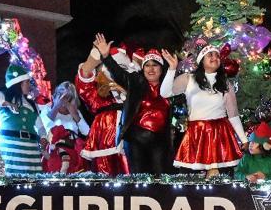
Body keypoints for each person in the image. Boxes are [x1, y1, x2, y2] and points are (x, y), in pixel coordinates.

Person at [160, 45, 247, 176]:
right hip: (196, 134)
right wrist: (172, 68)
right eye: (210, 55)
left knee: (223, 178)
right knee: (190, 177)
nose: (215, 58)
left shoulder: (225, 84)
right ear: (201, 60)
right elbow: (165, 93)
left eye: (217, 55)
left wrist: (244, 140)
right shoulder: (188, 79)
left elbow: (233, 114)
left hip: (220, 136)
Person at [98, 37, 173, 175]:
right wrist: (106, 56)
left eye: (155, 65)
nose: (151, 69)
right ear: (143, 68)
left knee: (161, 178)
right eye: (147, 65)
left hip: (160, 140)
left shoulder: (170, 86)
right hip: (135, 139)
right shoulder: (135, 82)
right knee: (138, 179)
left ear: (161, 69)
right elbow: (118, 73)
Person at [75, 34, 132, 175]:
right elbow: (84, 79)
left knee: (131, 175)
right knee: (104, 176)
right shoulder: (98, 89)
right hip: (104, 132)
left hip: (130, 133)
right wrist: (95, 54)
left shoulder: (134, 85)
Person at [0, 64, 46, 175]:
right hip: (9, 147)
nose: (29, 86)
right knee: (7, 180)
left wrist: (44, 137)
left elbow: (40, 126)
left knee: (31, 184)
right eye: (26, 82)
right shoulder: (2, 96)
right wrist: (6, 103)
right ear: (18, 83)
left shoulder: (31, 104)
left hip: (30, 149)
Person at [40, 81, 89, 174]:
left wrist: (74, 113)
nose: (64, 102)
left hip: (73, 151)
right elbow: (45, 129)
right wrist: (56, 107)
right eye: (61, 97)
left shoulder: (75, 112)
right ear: (54, 97)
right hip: (54, 152)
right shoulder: (47, 109)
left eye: (69, 99)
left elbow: (87, 132)